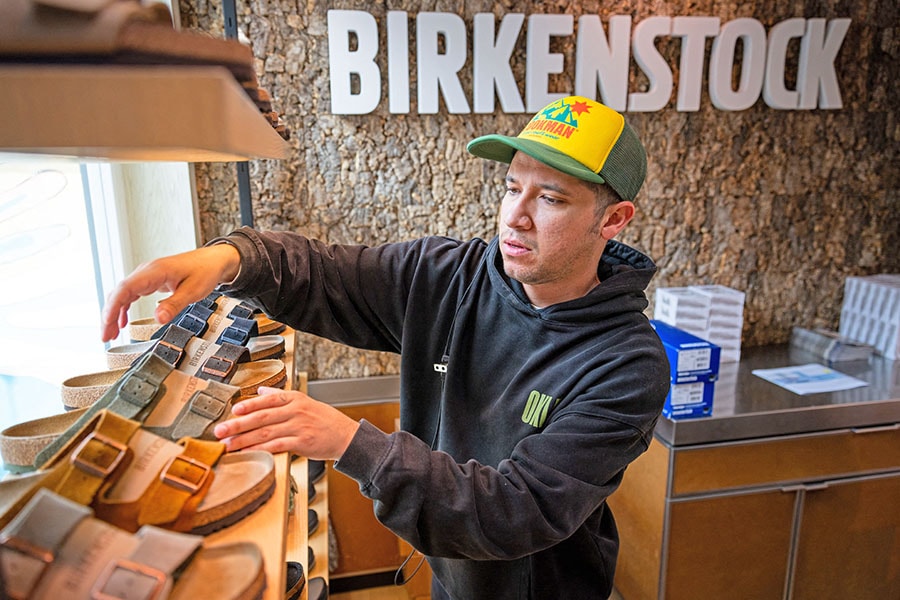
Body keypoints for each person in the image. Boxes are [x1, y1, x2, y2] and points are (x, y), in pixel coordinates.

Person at [101, 95, 670, 599]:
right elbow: (325, 273)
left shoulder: (626, 364)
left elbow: (513, 511)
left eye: (550, 198)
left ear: (613, 219)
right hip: (453, 574)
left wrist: (350, 441)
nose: (515, 216)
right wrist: (229, 257)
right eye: (510, 186)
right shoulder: (450, 276)